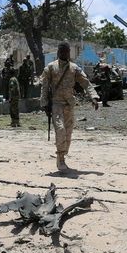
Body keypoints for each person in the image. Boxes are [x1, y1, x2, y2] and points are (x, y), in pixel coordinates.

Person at [39, 42, 100, 171]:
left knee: (68, 133)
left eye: (67, 51)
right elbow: (44, 87)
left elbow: (86, 83)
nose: (65, 53)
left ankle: (62, 155)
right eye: (63, 51)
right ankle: (60, 158)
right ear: (58, 52)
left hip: (69, 105)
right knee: (60, 130)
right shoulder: (50, 68)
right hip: (56, 104)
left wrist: (93, 97)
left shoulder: (74, 68)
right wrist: (44, 103)